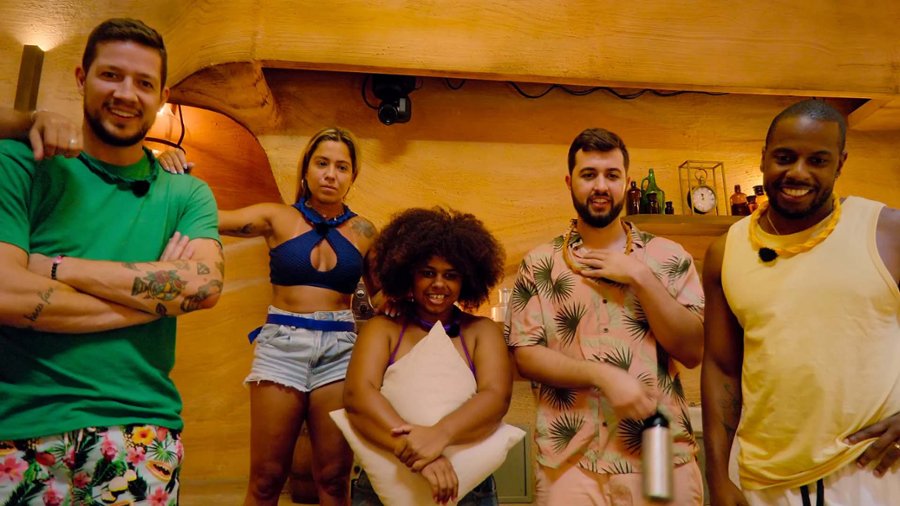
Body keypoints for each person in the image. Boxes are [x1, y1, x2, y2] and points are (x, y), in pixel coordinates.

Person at [0, 18, 223, 505]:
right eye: (111, 75)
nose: (126, 93)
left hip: (141, 434)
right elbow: (6, 295)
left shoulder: (186, 193)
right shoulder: (21, 164)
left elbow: (203, 285)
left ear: (161, 96)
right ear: (82, 78)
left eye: (144, 83)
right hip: (19, 430)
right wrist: (153, 300)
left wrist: (55, 268)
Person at [158, 126, 377, 505]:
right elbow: (207, 216)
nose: (330, 174)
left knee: (334, 478)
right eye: (322, 163)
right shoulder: (276, 217)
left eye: (341, 167)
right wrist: (167, 176)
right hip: (282, 347)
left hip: (341, 350)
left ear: (352, 176)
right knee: (266, 478)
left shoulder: (365, 230)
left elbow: (385, 295)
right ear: (306, 170)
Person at [701, 99, 900, 506]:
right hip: (764, 479)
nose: (798, 172)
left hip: (872, 470)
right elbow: (721, 368)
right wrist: (717, 476)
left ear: (840, 164)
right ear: (763, 158)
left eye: (818, 160)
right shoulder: (726, 251)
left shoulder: (888, 232)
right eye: (785, 157)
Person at [506, 128, 705, 505]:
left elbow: (692, 350)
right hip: (569, 462)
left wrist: (641, 276)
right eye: (589, 174)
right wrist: (603, 375)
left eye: (612, 175)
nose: (601, 186)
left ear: (627, 182)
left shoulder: (668, 257)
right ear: (570, 182)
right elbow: (525, 355)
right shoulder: (539, 263)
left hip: (660, 455)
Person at [342, 207, 511, 505]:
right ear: (409, 275)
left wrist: (440, 435)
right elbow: (358, 396)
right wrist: (417, 452)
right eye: (428, 273)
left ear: (467, 280)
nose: (439, 284)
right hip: (384, 487)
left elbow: (496, 398)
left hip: (469, 490)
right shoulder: (383, 329)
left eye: (451, 275)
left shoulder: (482, 332)